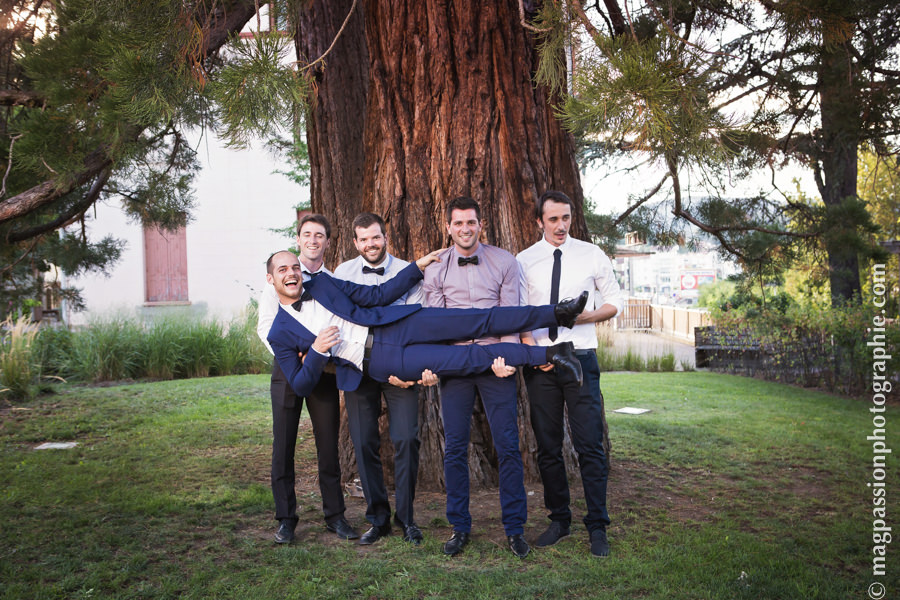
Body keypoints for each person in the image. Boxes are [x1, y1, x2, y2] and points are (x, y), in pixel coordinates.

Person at [264, 249, 587, 400]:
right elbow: (300, 385)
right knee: (468, 358)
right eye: (283, 270)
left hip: (397, 324)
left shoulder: (322, 283)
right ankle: (553, 354)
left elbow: (376, 295)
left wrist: (415, 268)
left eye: (295, 267)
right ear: (271, 279)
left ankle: (558, 313)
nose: (292, 273)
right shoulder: (279, 332)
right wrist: (317, 351)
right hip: (381, 360)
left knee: (479, 319)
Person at [516, 190, 624, 558]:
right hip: (542, 363)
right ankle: (559, 520)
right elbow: (520, 312)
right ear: (539, 222)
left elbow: (615, 301)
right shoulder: (524, 260)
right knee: (548, 447)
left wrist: (586, 316)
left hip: (580, 357)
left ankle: (597, 525)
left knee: (589, 444)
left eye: (566, 218)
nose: (561, 225)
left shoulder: (591, 254)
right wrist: (533, 352)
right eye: (553, 219)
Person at [422, 196, 530, 558]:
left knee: (507, 445)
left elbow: (510, 316)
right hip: (455, 363)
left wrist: (507, 358)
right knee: (454, 447)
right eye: (458, 223)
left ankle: (515, 528)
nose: (465, 229)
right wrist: (436, 364)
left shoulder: (505, 262)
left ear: (481, 225)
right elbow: (436, 325)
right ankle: (459, 526)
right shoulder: (436, 268)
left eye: (471, 222)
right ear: (448, 227)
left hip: (495, 359)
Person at [256, 214, 359, 545]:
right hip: (288, 369)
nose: (313, 240)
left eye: (320, 235)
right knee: (283, 445)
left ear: (328, 241)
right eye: (307, 234)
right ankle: (286, 519)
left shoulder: (330, 281)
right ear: (298, 239)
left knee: (328, 445)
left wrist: (318, 356)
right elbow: (265, 326)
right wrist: (294, 354)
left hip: (323, 371)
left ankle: (335, 516)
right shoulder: (282, 273)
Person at [332, 213, 426, 546]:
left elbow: (415, 320)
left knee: (406, 439)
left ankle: (407, 518)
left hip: (399, 368)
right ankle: (378, 518)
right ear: (355, 242)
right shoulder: (342, 273)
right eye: (363, 239)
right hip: (358, 367)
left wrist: (408, 369)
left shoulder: (408, 272)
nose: (370, 244)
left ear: (386, 237)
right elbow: (339, 319)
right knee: (363, 441)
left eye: (376, 237)